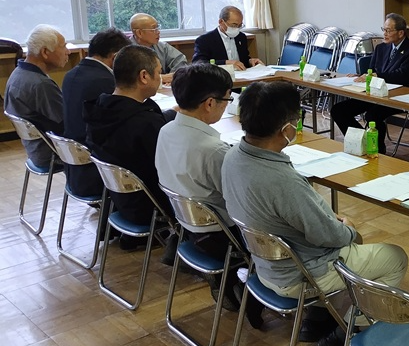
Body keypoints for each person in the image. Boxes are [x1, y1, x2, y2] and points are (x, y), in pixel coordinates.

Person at [221, 80, 409, 346]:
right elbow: (329, 236)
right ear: (286, 129)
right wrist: (348, 229)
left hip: (264, 266)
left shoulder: (231, 157)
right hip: (299, 276)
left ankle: (318, 316)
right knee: (394, 257)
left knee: (344, 242)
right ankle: (351, 328)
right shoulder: (283, 180)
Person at [154, 63, 263, 323]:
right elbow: (242, 201)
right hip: (223, 235)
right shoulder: (212, 150)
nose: (227, 105)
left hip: (188, 226)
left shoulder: (166, 131)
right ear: (210, 103)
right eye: (227, 99)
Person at [84, 44, 177, 258]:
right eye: (158, 72)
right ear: (144, 76)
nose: (160, 77)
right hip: (150, 207)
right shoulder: (145, 123)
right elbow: (171, 166)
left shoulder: (100, 108)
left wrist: (170, 114)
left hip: (120, 201)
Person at [331, 13, 409, 153]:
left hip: (397, 96)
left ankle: (378, 150)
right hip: (374, 93)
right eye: (383, 29)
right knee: (338, 110)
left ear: (401, 33)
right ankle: (363, 141)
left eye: (388, 30)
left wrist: (377, 76)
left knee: (373, 115)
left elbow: (402, 75)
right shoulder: (381, 48)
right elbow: (372, 70)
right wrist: (361, 76)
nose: (384, 34)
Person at [61, 28, 130, 197]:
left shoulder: (71, 74)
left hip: (75, 165)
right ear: (115, 57)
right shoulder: (106, 82)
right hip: (98, 171)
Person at [4, 24, 69, 168]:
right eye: (63, 46)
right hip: (52, 154)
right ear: (45, 52)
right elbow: (67, 124)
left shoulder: (17, 74)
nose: (68, 52)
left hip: (35, 151)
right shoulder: (40, 84)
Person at [192, 5, 263, 71]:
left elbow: (244, 59)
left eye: (239, 26)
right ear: (221, 22)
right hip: (219, 77)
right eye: (234, 25)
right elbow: (198, 64)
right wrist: (225, 63)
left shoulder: (241, 37)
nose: (237, 28)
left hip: (241, 75)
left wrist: (250, 61)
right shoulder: (204, 40)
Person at [129, 13, 186, 85]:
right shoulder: (126, 52)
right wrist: (161, 78)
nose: (158, 32)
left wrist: (174, 78)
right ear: (139, 33)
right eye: (154, 29)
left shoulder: (162, 46)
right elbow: (130, 78)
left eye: (158, 28)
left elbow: (180, 61)